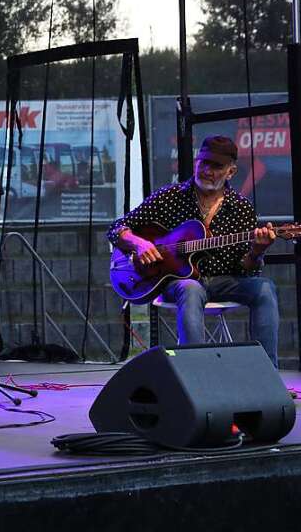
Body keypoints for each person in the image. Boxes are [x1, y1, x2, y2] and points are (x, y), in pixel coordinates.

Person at [107, 135, 279, 365]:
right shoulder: (170, 197)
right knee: (191, 288)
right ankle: (195, 375)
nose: (207, 170)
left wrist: (257, 251)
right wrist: (138, 244)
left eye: (216, 166)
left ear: (231, 172)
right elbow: (116, 228)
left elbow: (245, 269)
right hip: (176, 282)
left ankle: (268, 375)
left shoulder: (241, 208)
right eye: (203, 162)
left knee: (265, 288)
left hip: (223, 280)